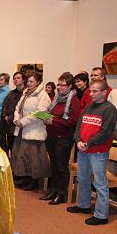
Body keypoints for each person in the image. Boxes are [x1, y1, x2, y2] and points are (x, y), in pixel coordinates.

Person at [69, 79, 117, 225]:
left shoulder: (109, 109)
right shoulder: (88, 107)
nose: (91, 93)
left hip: (98, 151)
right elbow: (78, 127)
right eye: (91, 90)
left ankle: (102, 215)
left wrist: (88, 143)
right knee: (82, 178)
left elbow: (105, 132)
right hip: (83, 149)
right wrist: (78, 141)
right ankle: (83, 205)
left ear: (104, 92)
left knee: (100, 182)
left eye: (95, 91)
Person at [41, 72, 81, 205]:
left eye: (63, 85)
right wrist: (46, 117)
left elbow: (73, 120)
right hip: (52, 136)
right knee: (54, 165)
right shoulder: (57, 97)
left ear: (70, 86)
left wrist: (54, 122)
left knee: (61, 166)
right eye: (58, 85)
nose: (59, 87)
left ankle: (61, 193)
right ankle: (54, 190)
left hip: (63, 138)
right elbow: (53, 114)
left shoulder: (73, 99)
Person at [10, 71, 51, 190]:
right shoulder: (25, 93)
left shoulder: (43, 95)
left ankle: (34, 182)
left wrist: (23, 121)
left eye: (32, 81)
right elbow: (18, 108)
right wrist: (17, 119)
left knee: (34, 158)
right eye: (28, 81)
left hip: (34, 130)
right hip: (22, 129)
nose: (29, 83)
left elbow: (40, 113)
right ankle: (25, 179)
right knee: (22, 156)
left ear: (38, 82)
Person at [1, 71, 25, 153]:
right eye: (14, 78)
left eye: (18, 78)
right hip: (9, 127)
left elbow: (21, 109)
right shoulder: (11, 93)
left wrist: (10, 118)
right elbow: (4, 105)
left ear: (23, 80)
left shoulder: (25, 93)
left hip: (19, 126)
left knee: (19, 150)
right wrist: (5, 117)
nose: (16, 80)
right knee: (11, 147)